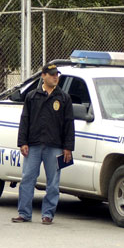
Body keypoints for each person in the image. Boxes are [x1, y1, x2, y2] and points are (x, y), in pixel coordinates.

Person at [12, 63, 75, 225]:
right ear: (43, 76)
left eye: (57, 75)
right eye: (52, 74)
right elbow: (25, 120)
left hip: (55, 146)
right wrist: (22, 142)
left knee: (53, 182)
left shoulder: (64, 98)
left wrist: (68, 147)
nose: (55, 77)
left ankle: (48, 214)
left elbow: (69, 124)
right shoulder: (32, 96)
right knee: (27, 179)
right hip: (33, 145)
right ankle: (24, 213)